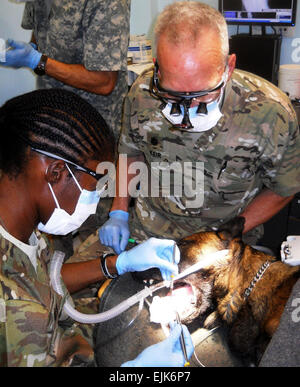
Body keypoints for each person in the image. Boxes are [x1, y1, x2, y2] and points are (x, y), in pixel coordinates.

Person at [0, 88, 193, 367]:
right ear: (55, 173)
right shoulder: (16, 313)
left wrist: (118, 263)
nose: (96, 196)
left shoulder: (20, 219)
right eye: (96, 183)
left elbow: (43, 281)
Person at [99, 1, 300, 255]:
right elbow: (130, 152)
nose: (187, 106)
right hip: (149, 232)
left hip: (225, 240)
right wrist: (118, 211)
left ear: (228, 67)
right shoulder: (142, 93)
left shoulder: (271, 114)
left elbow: (284, 189)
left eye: (202, 94)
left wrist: (225, 236)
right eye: (172, 94)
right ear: (157, 67)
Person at [1, 0, 130, 139]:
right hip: (52, 115)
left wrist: (36, 61)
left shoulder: (107, 3)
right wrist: (28, 51)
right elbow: (41, 35)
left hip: (92, 130)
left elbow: (104, 82)